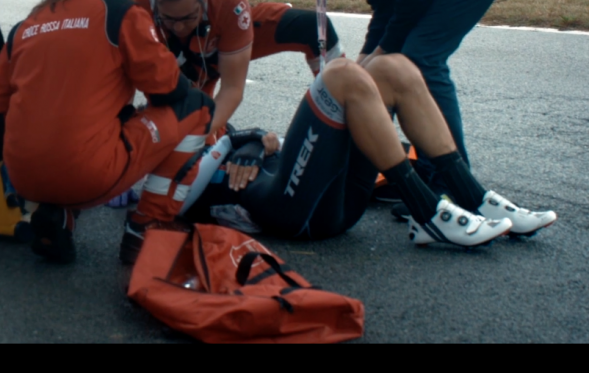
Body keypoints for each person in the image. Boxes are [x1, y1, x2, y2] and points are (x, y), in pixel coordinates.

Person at [246, 0, 524, 216]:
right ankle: (427, 175)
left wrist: (378, 56)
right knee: (386, 64)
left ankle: (448, 184)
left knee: (420, 60)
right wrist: (365, 60)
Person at [0, 0, 215, 265]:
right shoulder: (121, 14)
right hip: (89, 173)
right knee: (199, 106)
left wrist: (33, 163)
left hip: (23, 177)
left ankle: (57, 214)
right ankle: (148, 224)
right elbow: (168, 90)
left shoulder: (27, 25)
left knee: (82, 124)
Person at [179, 53, 557, 247]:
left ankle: (473, 196)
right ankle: (428, 212)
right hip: (293, 212)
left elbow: (267, 139)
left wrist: (251, 141)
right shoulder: (151, 156)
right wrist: (237, 145)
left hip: (329, 192)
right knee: (341, 76)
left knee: (391, 67)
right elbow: (173, 193)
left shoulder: (214, 128)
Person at [131, 0, 345, 143]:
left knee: (314, 28)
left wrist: (197, 134)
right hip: (178, 65)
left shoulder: (229, 0)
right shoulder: (132, 6)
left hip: (225, 40)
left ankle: (343, 114)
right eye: (169, 19)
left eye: (188, 17)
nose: (178, 27)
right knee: (192, 138)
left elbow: (233, 88)